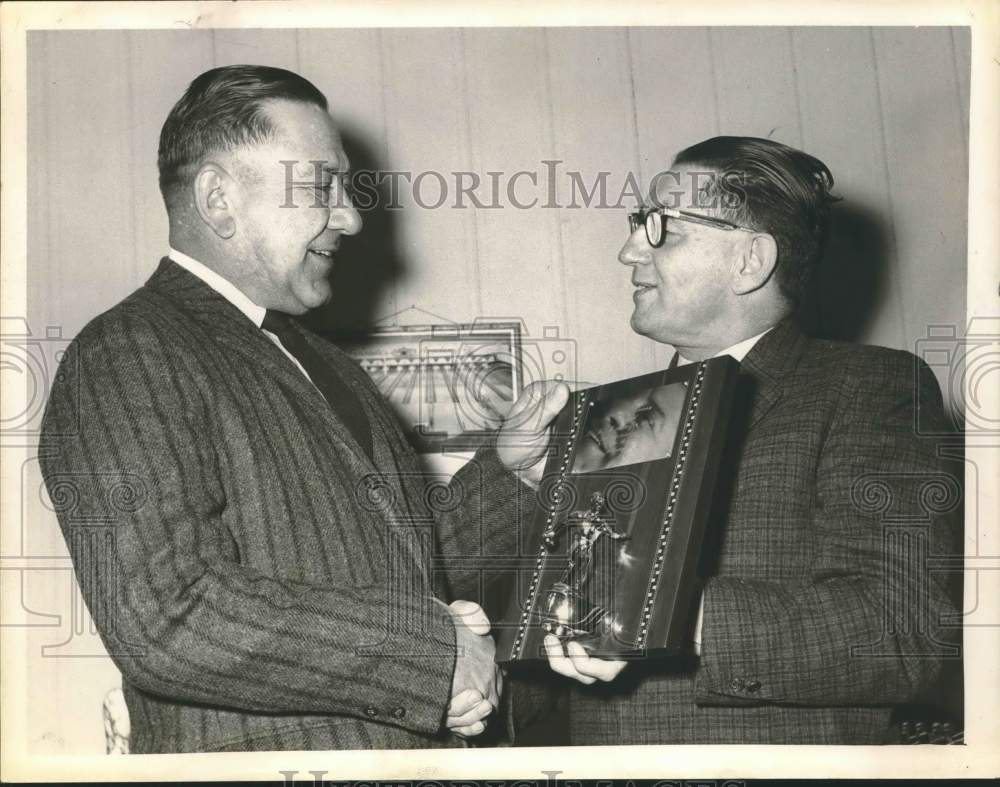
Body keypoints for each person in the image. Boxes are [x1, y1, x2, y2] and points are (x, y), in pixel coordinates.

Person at [37, 65, 563, 753]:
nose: (350, 216)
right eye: (322, 185)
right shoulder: (125, 350)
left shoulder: (328, 363)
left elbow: (407, 571)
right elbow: (168, 615)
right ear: (218, 199)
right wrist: (431, 654)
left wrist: (511, 473)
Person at [535, 136, 961, 744]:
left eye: (663, 228)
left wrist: (667, 609)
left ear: (750, 261)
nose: (629, 250)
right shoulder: (606, 417)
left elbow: (902, 629)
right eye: (638, 222)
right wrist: (512, 470)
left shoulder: (867, 388)